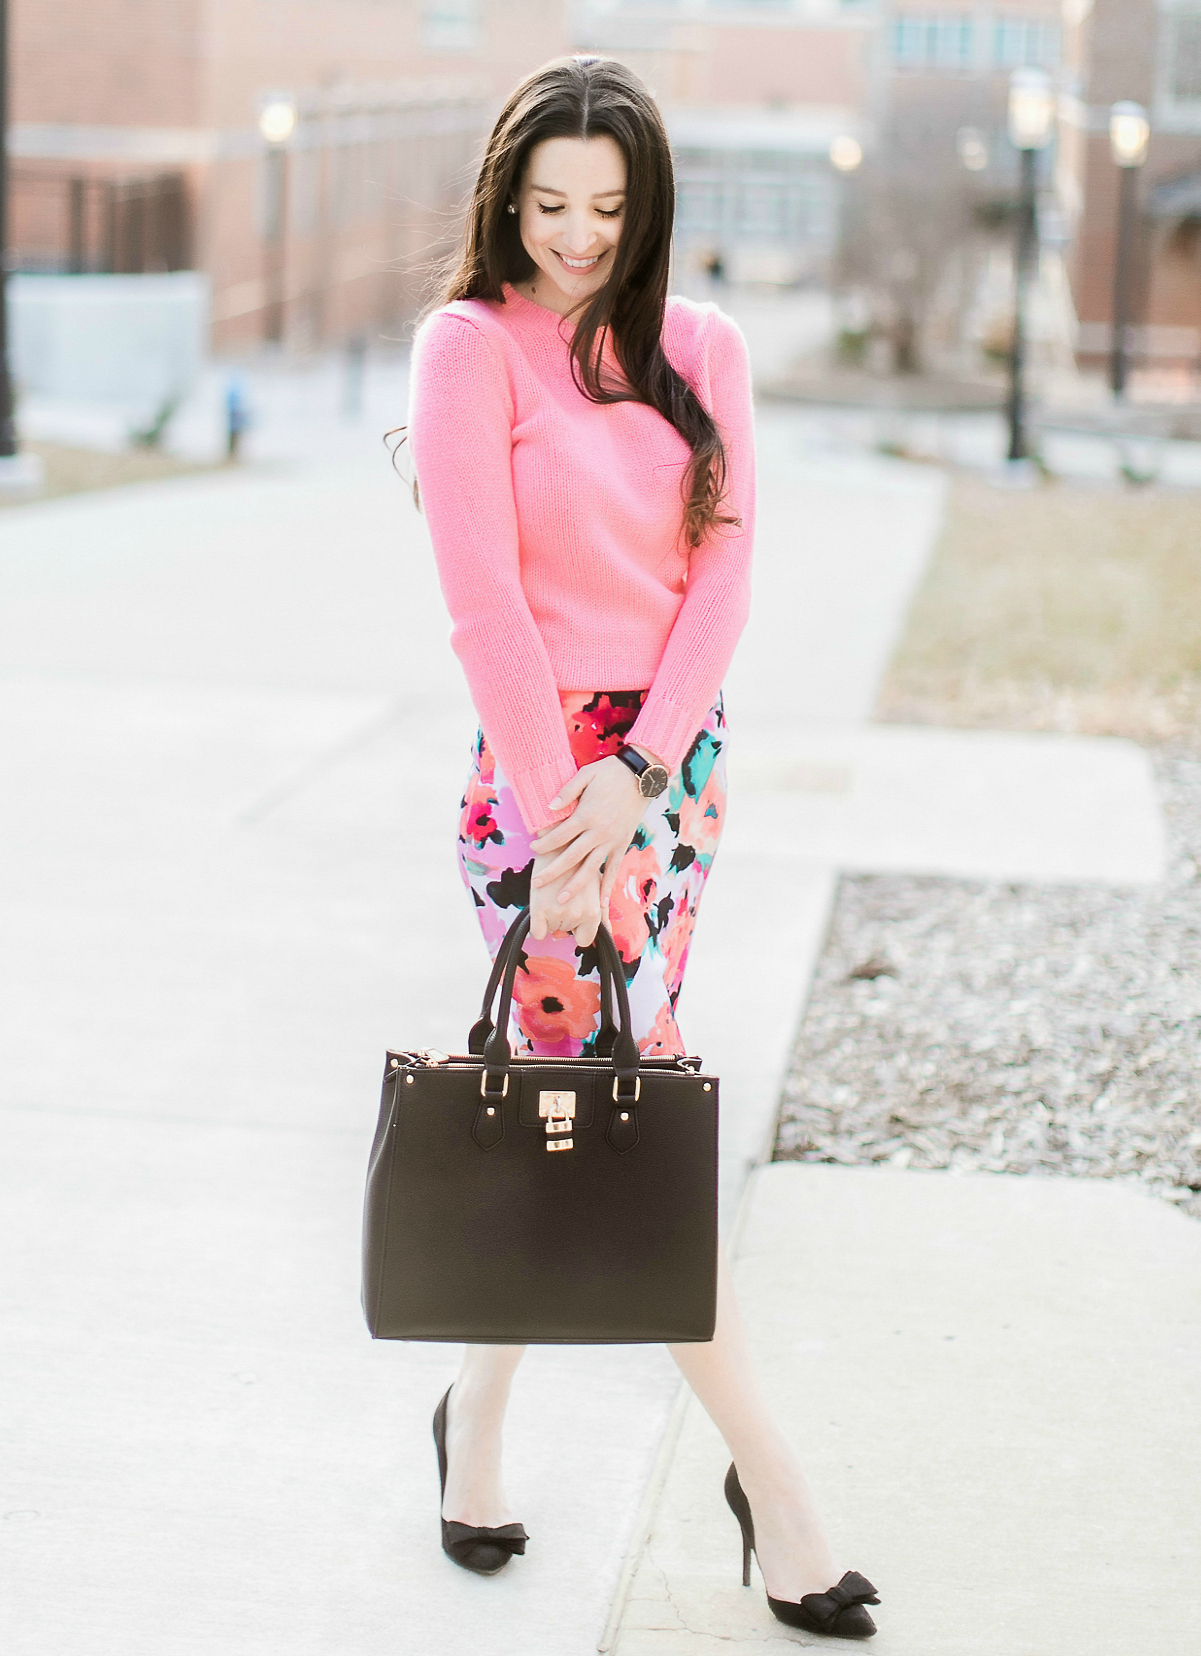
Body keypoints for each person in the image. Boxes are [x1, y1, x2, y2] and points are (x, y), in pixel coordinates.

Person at [405, 55, 880, 1642]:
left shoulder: (703, 345)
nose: (576, 237)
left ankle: (472, 1432)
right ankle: (779, 1492)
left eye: (607, 208)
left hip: (673, 773)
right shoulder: (467, 346)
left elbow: (727, 574)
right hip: (535, 781)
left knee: (577, 1104)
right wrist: (570, 816)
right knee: (622, 1091)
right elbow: (482, 606)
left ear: (648, 205)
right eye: (547, 206)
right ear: (507, 198)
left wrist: (649, 776)